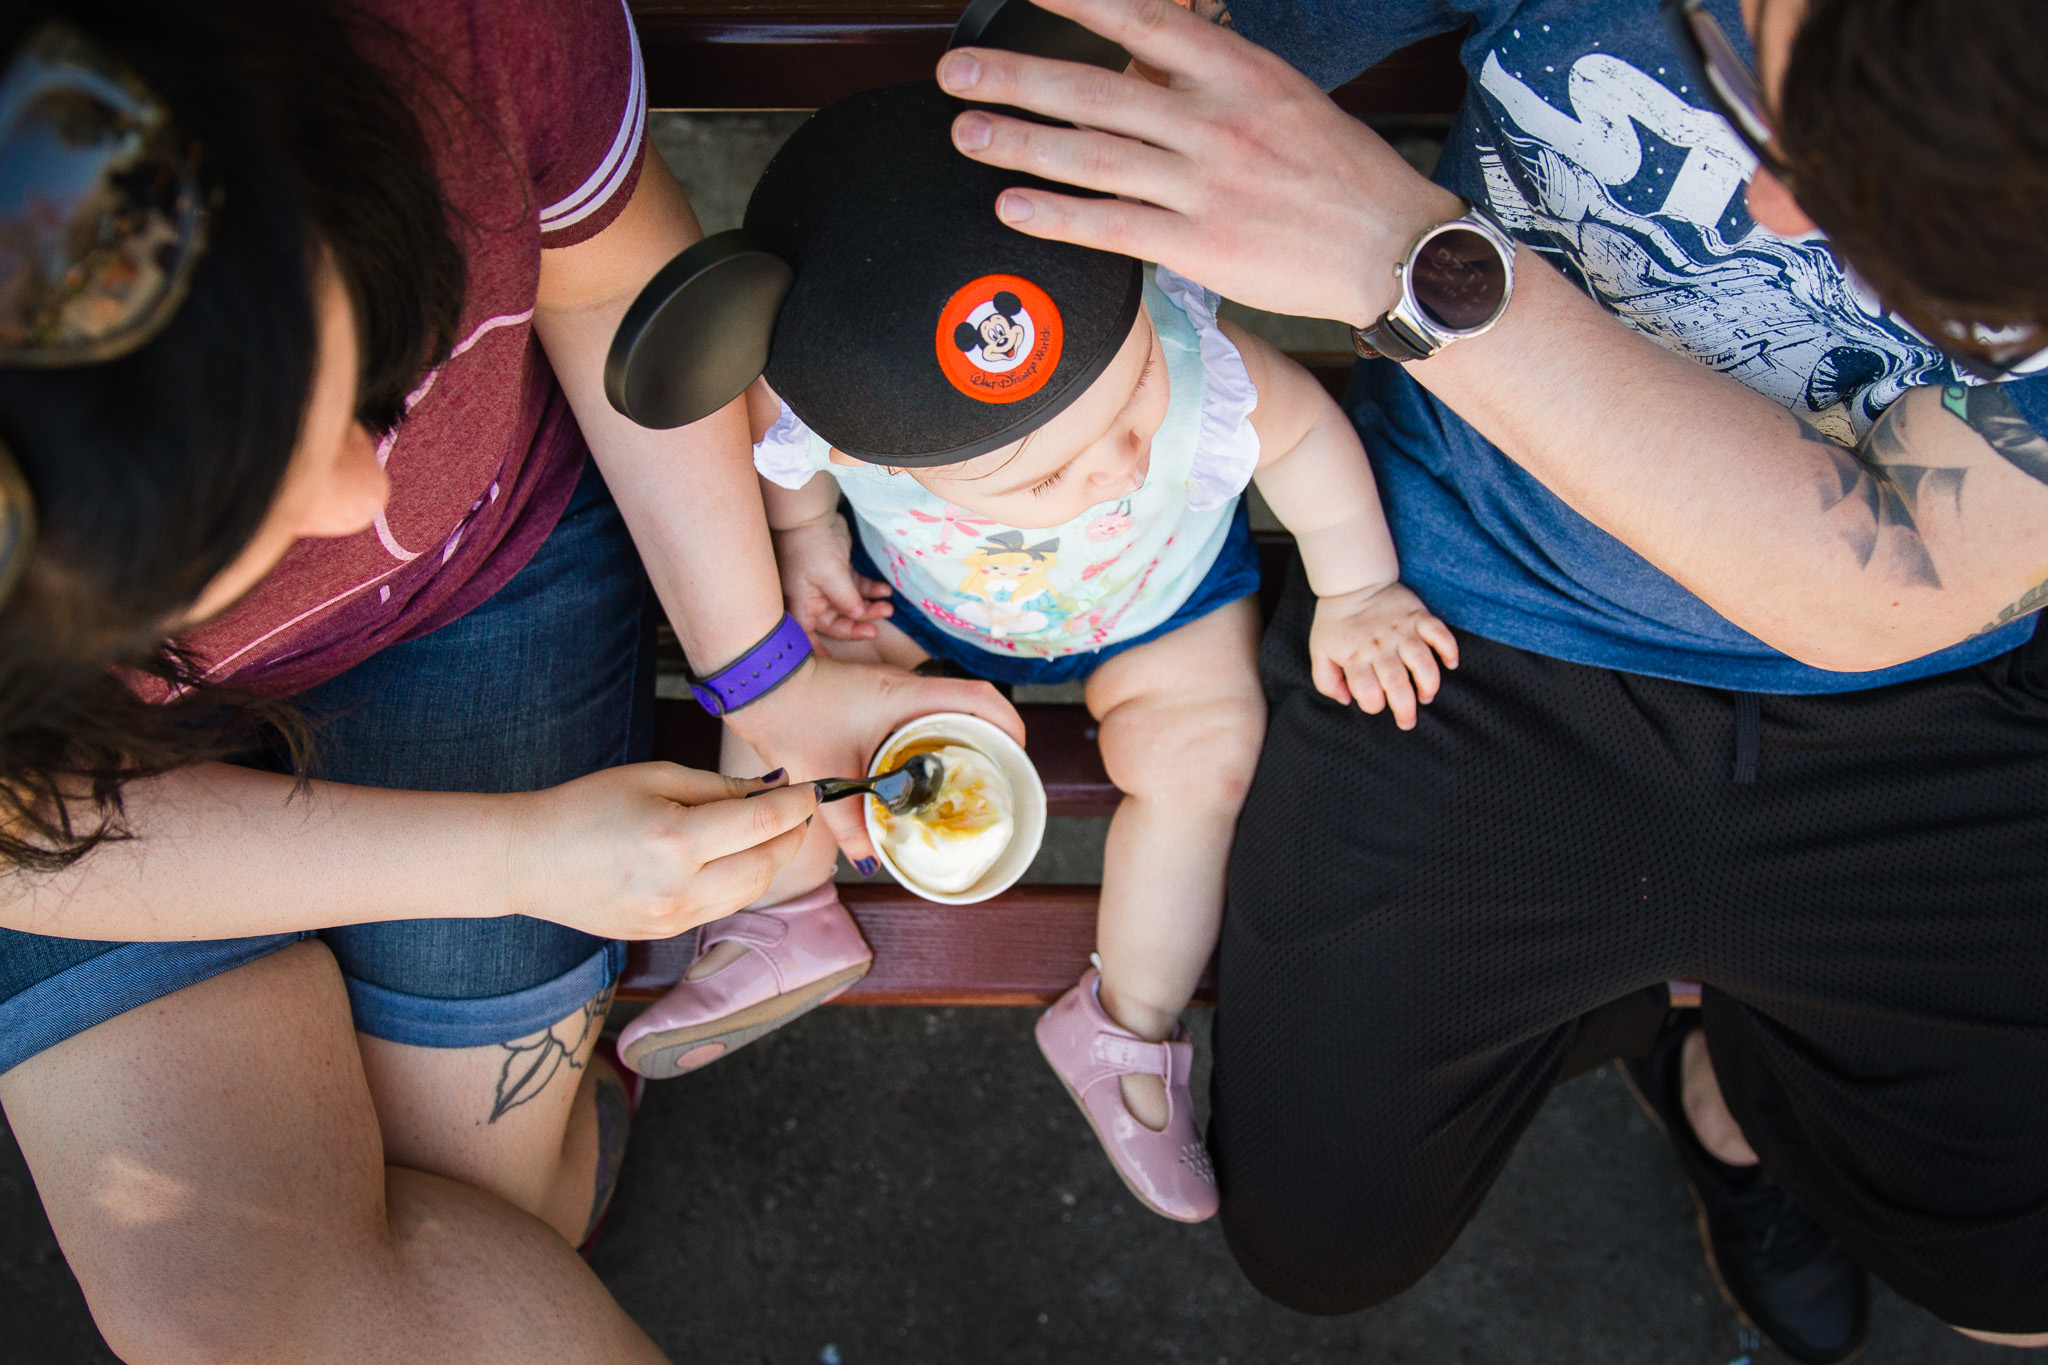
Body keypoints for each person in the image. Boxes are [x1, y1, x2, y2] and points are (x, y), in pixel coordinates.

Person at [935, 0, 2048, 1357]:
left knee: (2018, 1288)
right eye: (1744, 77)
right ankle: (1719, 1053)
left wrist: (1407, 259)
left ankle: (1731, 1101)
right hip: (1466, 638)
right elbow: (1081, 75)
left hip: (1935, 709)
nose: (1770, 203)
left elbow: (1888, 572)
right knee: (1314, 1247)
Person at [0, 3, 1014, 1360]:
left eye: (364, 386)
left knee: (486, 1221)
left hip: (480, 588)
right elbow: (24, 838)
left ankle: (560, 1134)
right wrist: (516, 855)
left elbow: (616, 289)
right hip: (74, 792)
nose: (371, 494)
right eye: (241, 525)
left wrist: (759, 672)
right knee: (243, 1322)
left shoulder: (455, 30)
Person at [609, 85, 1455, 1225]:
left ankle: (1127, 1024)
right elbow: (782, 458)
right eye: (1044, 479)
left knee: (1207, 758)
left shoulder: (1182, 347)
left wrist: (1356, 586)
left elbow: (1300, 432)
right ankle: (779, 902)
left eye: (1130, 408)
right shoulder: (841, 402)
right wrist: (805, 542)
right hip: (922, 600)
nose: (1113, 466)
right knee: (782, 671)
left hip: (1159, 603)